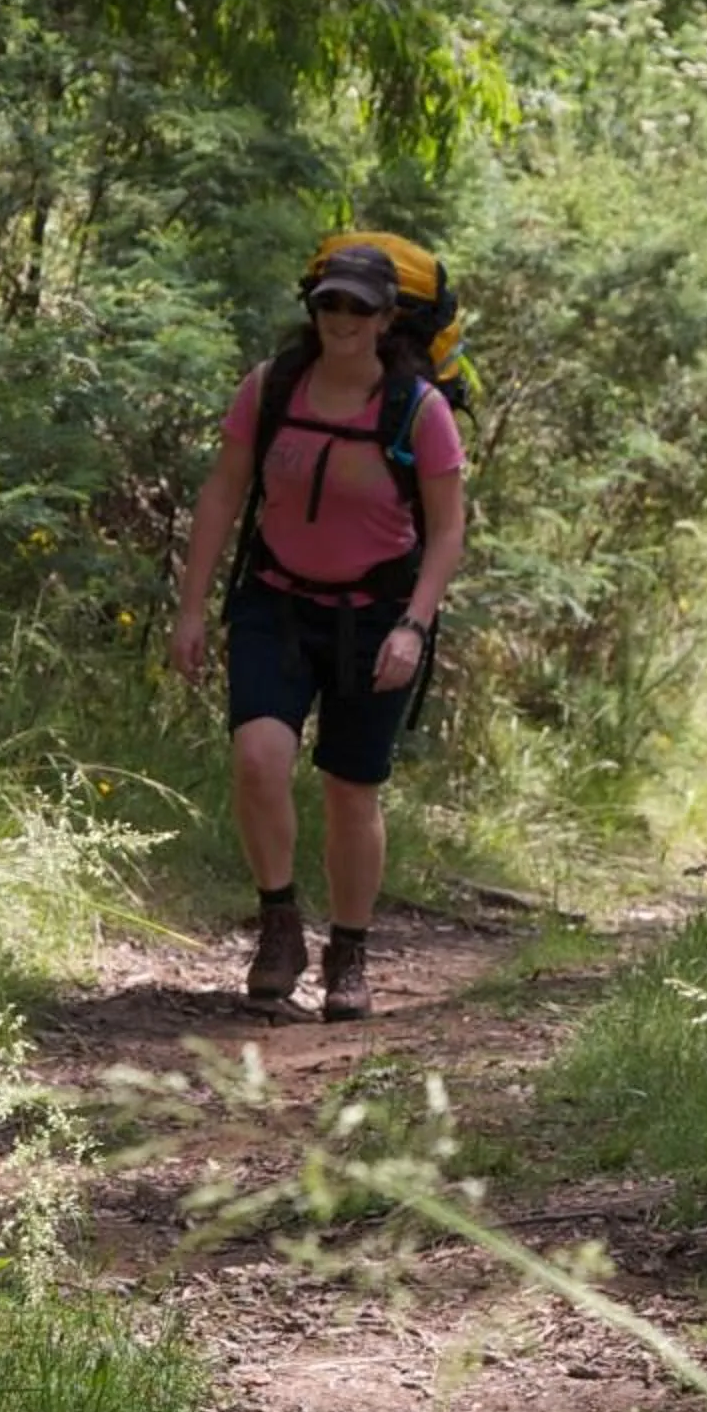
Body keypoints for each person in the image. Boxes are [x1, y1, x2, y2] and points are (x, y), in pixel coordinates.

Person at [169, 241, 467, 1017]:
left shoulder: (418, 411)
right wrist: (192, 609)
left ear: (385, 319)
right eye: (329, 304)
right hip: (275, 602)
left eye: (358, 307)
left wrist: (413, 626)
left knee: (350, 790)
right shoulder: (272, 389)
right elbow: (222, 494)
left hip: (375, 618)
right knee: (259, 757)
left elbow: (446, 532)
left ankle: (350, 951)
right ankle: (278, 927)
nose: (341, 318)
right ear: (315, 309)